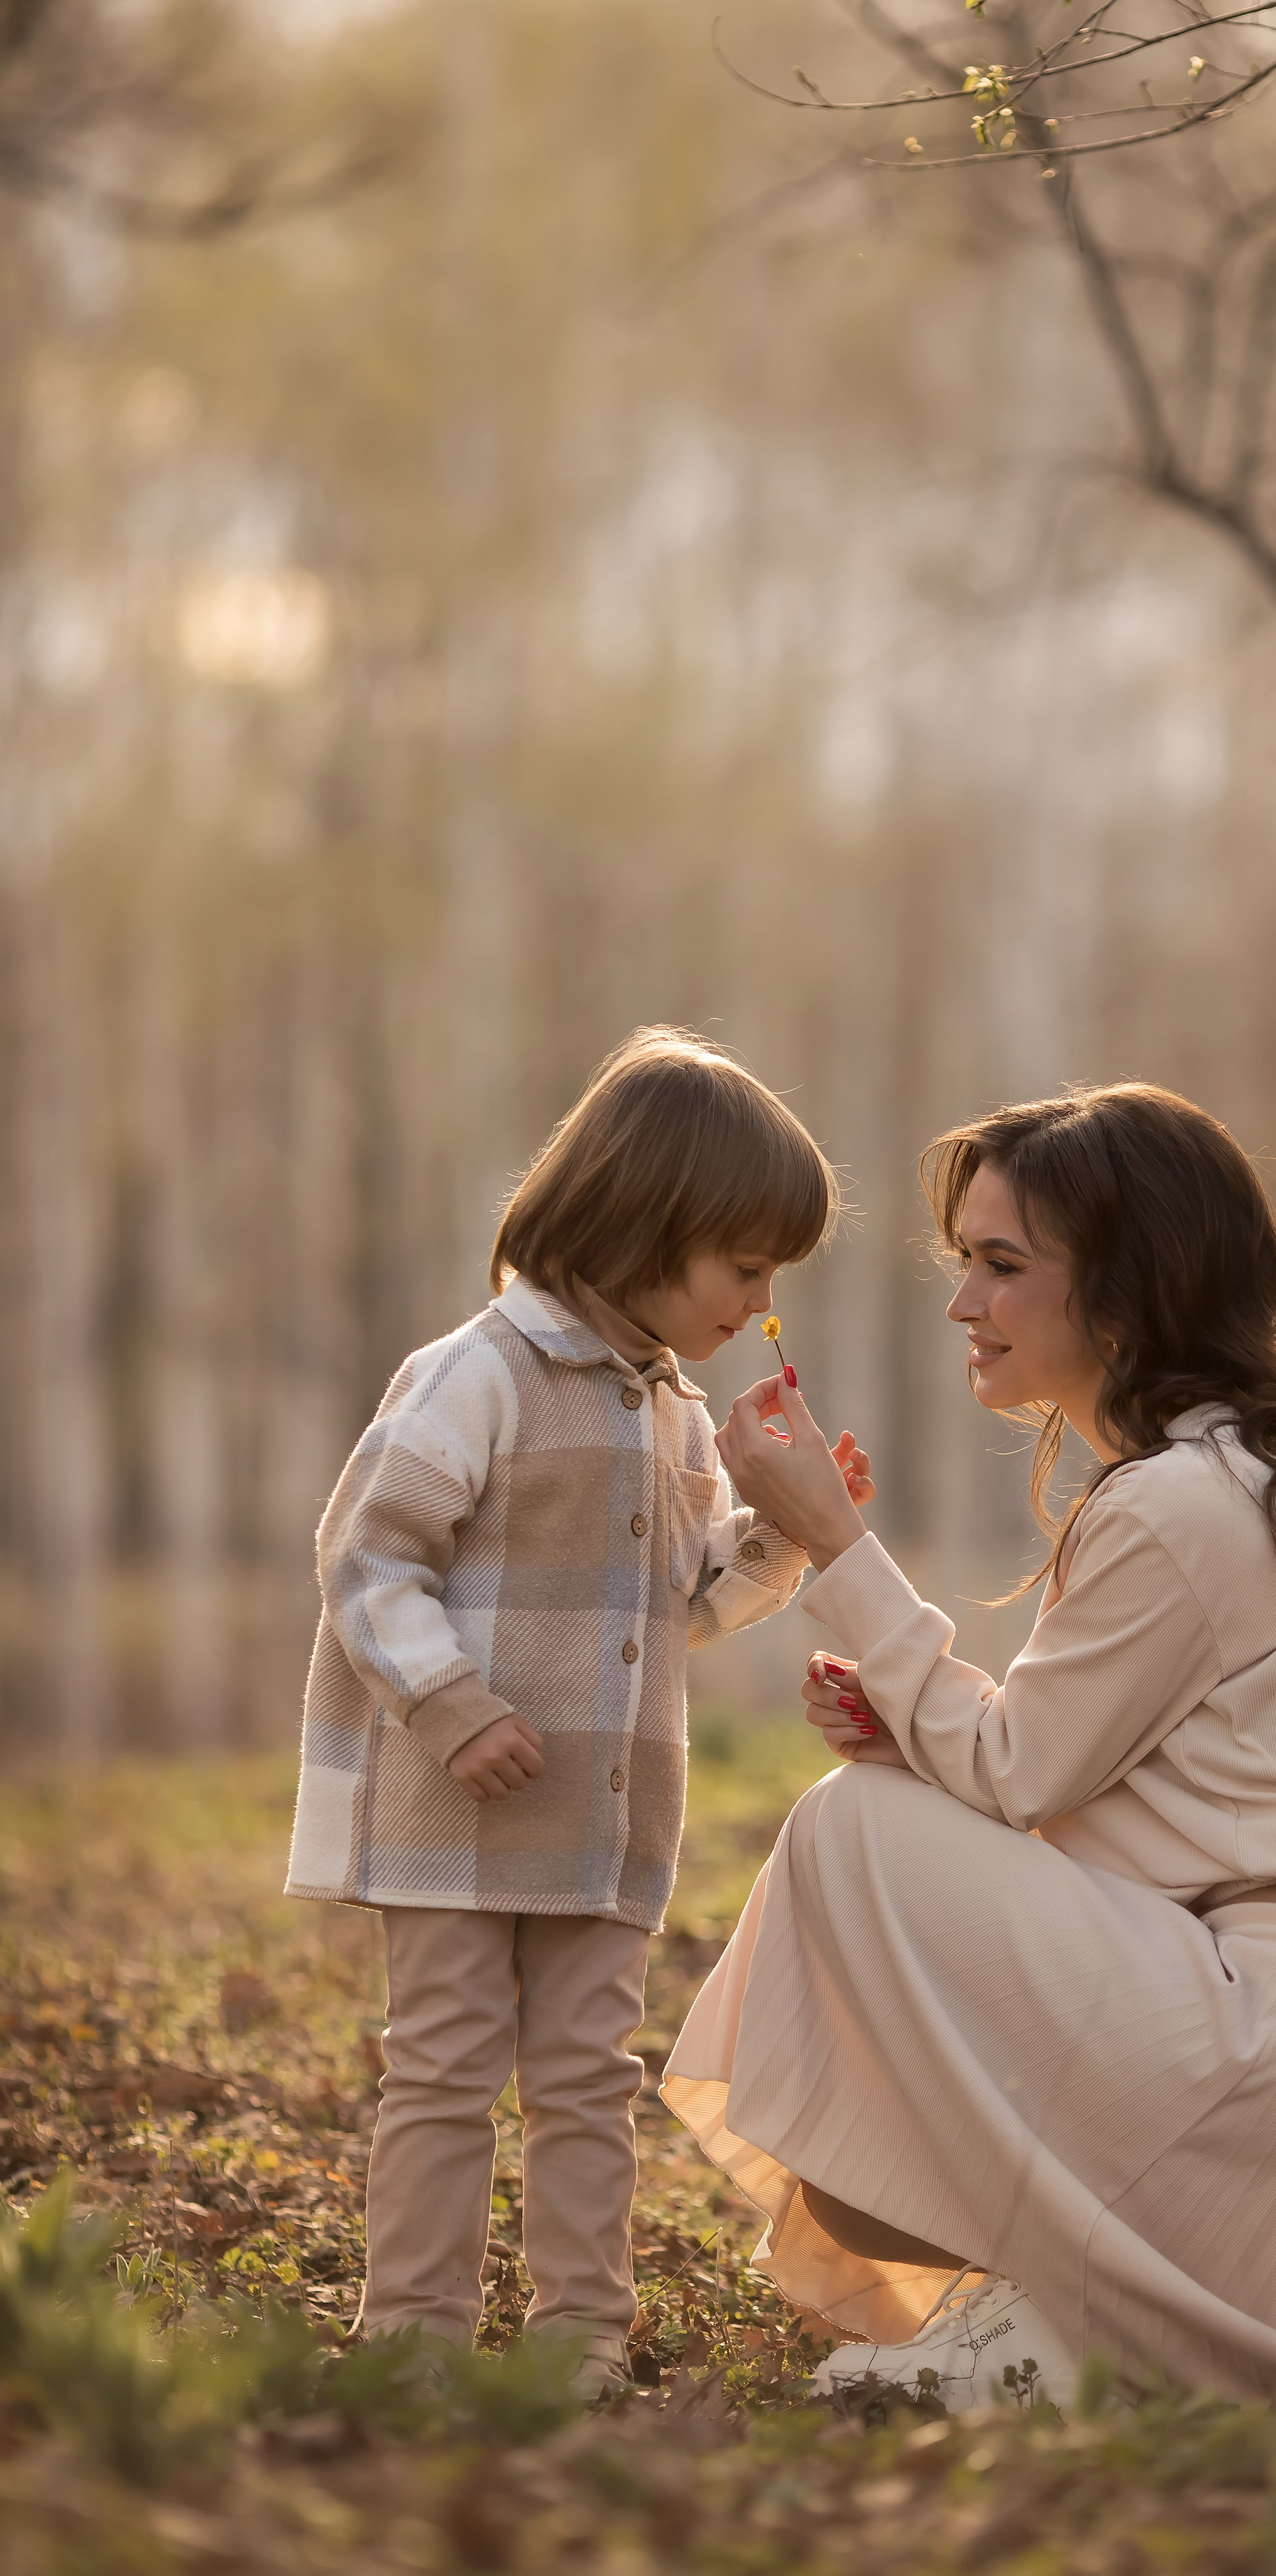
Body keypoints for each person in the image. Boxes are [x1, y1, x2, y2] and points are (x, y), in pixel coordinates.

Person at [666, 1082, 1276, 2411]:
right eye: (963, 1267)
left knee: (849, 1827)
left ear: (1131, 1286)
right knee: (883, 1807)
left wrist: (836, 1541)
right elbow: (1125, 1779)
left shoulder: (1178, 1502)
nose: (964, 1306)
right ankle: (1073, 2301)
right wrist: (919, 1729)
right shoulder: (1269, 1488)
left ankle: (1078, 2306)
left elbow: (1017, 1778)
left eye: (1002, 1267)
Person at [285, 1026, 870, 2398]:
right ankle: (413, 2337)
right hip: (456, 1807)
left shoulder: (669, 1412)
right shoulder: (475, 1373)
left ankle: (577, 2339)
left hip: (601, 1829)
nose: (759, 1299)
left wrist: (783, 1530)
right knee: (438, 2067)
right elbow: (366, 1558)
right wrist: (449, 1703)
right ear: (646, 1224)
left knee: (583, 2078)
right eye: (743, 1264)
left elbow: (680, 1605)